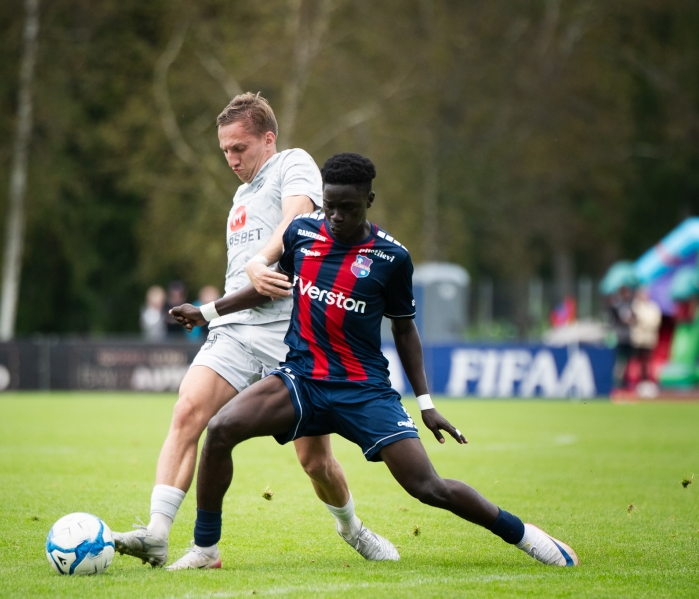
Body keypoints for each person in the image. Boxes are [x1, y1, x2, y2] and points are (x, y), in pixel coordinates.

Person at [166, 153, 579, 570]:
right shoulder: (301, 233)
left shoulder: (392, 258)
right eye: (330, 206)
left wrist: (426, 403)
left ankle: (525, 535)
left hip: (363, 390)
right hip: (303, 379)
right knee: (220, 429)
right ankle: (206, 550)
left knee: (428, 487)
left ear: (369, 200)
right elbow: (269, 287)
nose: (336, 217)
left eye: (348, 208)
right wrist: (207, 312)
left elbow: (405, 329)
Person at [113, 95, 397, 568]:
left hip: (292, 336)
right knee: (188, 411)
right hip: (237, 330)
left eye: (239, 148)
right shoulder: (240, 198)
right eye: (225, 150)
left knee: (314, 461)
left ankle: (353, 530)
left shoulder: (292, 163)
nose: (231, 159)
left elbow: (298, 218)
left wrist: (260, 261)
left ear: (268, 139)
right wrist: (215, 311)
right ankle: (158, 535)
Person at [630, 287, 662, 383]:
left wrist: (643, 322)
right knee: (636, 360)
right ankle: (634, 381)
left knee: (647, 361)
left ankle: (647, 380)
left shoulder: (653, 307)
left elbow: (655, 321)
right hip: (638, 339)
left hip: (649, 339)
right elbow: (634, 320)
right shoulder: (635, 306)